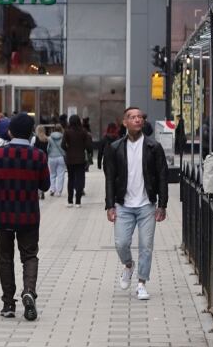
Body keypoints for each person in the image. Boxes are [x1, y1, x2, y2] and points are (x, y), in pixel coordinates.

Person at [0, 113, 50, 321]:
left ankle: (8, 304)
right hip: (28, 215)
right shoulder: (38, 155)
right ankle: (29, 290)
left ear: (10, 131)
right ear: (31, 132)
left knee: (6, 258)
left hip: (2, 214)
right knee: (29, 255)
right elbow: (45, 185)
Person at [103, 107, 168, 301]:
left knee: (146, 245)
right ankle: (128, 265)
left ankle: (141, 283)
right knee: (121, 243)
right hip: (123, 204)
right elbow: (109, 178)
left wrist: (162, 204)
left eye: (140, 117)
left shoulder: (153, 147)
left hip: (146, 204)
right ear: (125, 122)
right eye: (132, 117)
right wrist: (109, 205)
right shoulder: (114, 148)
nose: (137, 120)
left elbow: (163, 176)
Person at [61, 114, 93, 207]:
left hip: (70, 159)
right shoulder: (83, 132)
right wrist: (87, 151)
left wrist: (68, 150)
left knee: (70, 179)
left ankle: (70, 201)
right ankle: (78, 201)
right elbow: (88, 146)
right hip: (80, 159)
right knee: (79, 179)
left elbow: (63, 145)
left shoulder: (67, 132)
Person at [46, 124, 66, 197]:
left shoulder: (49, 138)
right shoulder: (63, 137)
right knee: (60, 174)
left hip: (51, 157)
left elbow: (48, 148)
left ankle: (52, 189)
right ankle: (59, 191)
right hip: (60, 157)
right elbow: (65, 147)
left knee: (52, 174)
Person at [31, 125, 50, 200]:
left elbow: (31, 147)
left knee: (36, 175)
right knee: (43, 175)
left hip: (35, 158)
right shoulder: (47, 139)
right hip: (44, 158)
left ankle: (38, 192)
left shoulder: (34, 138)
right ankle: (42, 191)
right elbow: (48, 149)